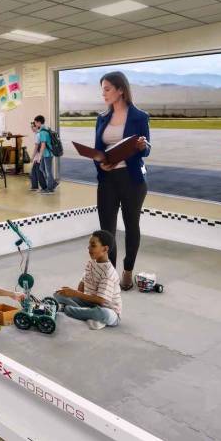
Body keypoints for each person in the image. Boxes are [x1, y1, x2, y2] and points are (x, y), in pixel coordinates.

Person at [90, 71, 150, 290]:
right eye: (102, 89)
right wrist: (101, 163)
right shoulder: (102, 118)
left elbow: (146, 149)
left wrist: (143, 146)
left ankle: (127, 270)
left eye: (107, 89)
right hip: (107, 179)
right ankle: (111, 275)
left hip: (132, 180)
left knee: (131, 225)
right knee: (107, 230)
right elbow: (98, 150)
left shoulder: (140, 117)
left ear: (120, 90)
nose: (103, 94)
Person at [54, 230, 122, 330]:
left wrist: (75, 294)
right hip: (90, 302)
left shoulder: (108, 272)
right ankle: (83, 312)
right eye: (89, 244)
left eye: (93, 245)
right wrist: (73, 293)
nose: (88, 248)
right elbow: (83, 283)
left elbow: (101, 300)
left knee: (102, 313)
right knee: (57, 293)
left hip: (108, 310)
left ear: (105, 249)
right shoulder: (91, 263)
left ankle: (70, 310)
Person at [29, 115, 56, 193]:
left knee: (48, 171)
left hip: (47, 154)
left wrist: (39, 156)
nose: (35, 125)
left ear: (39, 122)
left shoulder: (43, 132)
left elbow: (43, 145)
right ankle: (53, 183)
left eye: (35, 123)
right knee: (42, 168)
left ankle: (50, 189)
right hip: (45, 154)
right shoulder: (44, 130)